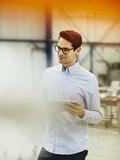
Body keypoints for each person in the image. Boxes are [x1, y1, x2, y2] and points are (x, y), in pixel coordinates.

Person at [38, 30, 103, 160]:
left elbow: (98, 116)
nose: (61, 53)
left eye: (66, 50)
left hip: (74, 150)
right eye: (58, 48)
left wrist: (82, 113)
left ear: (78, 50)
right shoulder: (48, 74)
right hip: (48, 146)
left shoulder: (89, 80)